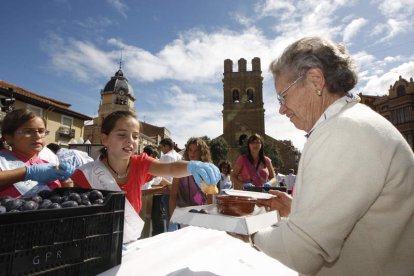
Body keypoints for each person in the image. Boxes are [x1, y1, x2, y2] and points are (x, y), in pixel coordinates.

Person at [241, 37, 414, 275]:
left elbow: (301, 252)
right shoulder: (353, 122)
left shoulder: (342, 131)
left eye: (283, 96)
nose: (281, 109)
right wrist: (298, 209)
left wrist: (245, 231)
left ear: (315, 80)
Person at [70, 111, 219, 243]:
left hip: (130, 244)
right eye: (122, 134)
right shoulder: (85, 175)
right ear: (105, 139)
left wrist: (192, 166)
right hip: (93, 244)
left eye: (135, 136)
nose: (130, 140)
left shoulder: (140, 163)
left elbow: (170, 167)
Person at [0, 108, 74, 197]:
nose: (38, 136)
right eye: (28, 131)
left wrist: (66, 182)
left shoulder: (48, 165)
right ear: (9, 138)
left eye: (41, 131)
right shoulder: (2, 160)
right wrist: (28, 173)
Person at [169, 137, 213, 225]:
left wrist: (209, 215)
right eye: (190, 150)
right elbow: (173, 195)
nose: (192, 153)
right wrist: (172, 217)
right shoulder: (180, 167)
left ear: (202, 152)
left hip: (200, 211)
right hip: (182, 211)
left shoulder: (207, 169)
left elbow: (210, 196)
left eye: (196, 150)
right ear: (187, 151)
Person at [158, 137, 182, 232]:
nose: (162, 150)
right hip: (180, 192)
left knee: (170, 218)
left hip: (168, 191)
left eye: (162, 147)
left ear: (166, 146)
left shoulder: (165, 157)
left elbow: (159, 176)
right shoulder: (180, 157)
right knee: (179, 219)